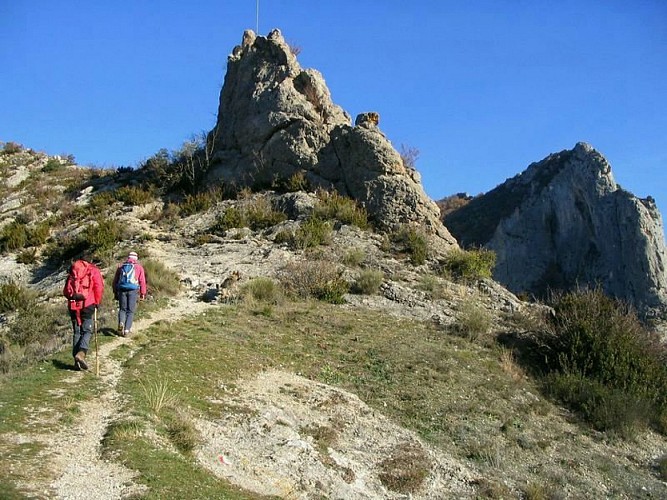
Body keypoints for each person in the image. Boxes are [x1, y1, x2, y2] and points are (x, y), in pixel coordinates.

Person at [63, 256, 104, 371]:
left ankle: (76, 361)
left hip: (73, 305)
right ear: (89, 260)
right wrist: (96, 302)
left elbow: (66, 291)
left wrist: (72, 298)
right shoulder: (93, 270)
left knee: (77, 331)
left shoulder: (73, 270)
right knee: (87, 330)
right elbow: (99, 287)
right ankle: (81, 354)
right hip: (87, 303)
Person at [112, 251, 147, 337]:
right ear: (136, 258)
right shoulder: (139, 267)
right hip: (133, 291)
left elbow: (115, 281)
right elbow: (142, 281)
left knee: (122, 309)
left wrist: (115, 291)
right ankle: (127, 330)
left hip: (122, 290)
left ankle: (121, 323)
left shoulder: (121, 267)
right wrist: (143, 293)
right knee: (130, 311)